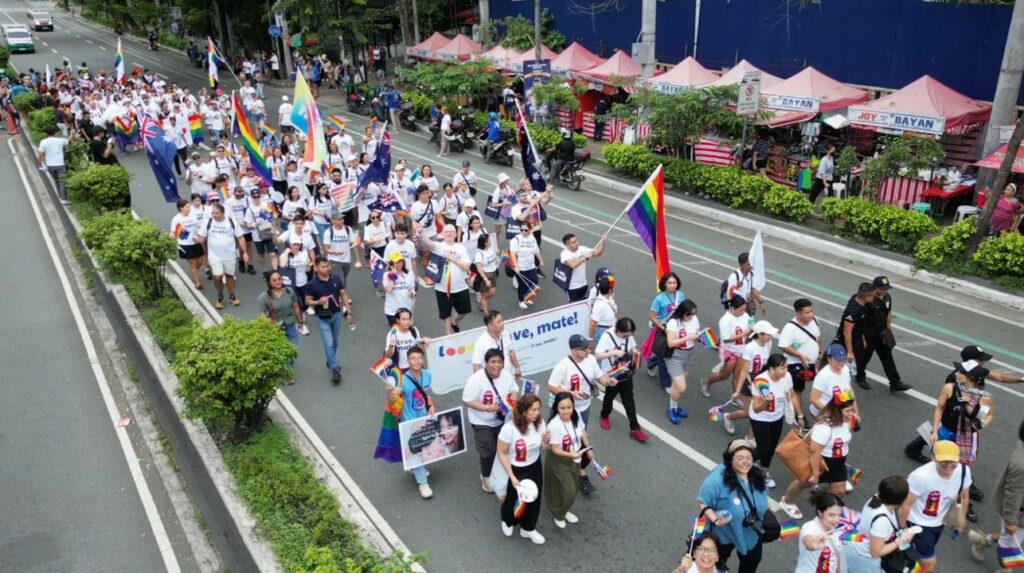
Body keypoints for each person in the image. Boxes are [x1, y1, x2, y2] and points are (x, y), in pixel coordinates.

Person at [547, 334, 615, 495]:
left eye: (588, 348)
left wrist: (608, 382)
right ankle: (562, 469)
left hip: (583, 407)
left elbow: (599, 376)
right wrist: (571, 393)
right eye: (584, 349)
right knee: (562, 440)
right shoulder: (563, 366)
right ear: (573, 350)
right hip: (565, 410)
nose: (588, 351)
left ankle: (578, 469)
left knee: (579, 437)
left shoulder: (590, 360)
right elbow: (552, 386)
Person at [779, 393, 857, 519]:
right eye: (848, 411)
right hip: (820, 462)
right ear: (837, 411)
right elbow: (814, 452)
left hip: (838, 463)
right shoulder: (824, 428)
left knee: (839, 491)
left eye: (852, 410)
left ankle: (826, 511)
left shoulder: (847, 421)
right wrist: (815, 474)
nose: (851, 414)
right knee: (804, 482)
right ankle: (787, 502)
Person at [899, 440, 972, 573]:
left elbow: (964, 496)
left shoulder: (963, 471)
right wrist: (902, 529)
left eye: (953, 461)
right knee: (929, 564)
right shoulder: (920, 477)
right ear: (933, 458)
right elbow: (906, 505)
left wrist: (960, 521)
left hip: (939, 522)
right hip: (919, 524)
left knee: (916, 556)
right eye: (944, 461)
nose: (949, 465)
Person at [697, 439, 768, 573]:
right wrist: (715, 520)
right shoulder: (717, 479)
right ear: (730, 459)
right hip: (723, 533)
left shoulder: (757, 474)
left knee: (752, 561)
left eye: (748, 458)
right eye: (739, 458)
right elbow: (703, 502)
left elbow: (764, 496)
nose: (745, 462)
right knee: (714, 564)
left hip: (750, 532)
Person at [463, 348, 520, 494]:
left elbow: (514, 389)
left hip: (502, 419)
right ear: (486, 363)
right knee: (488, 451)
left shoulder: (506, 375)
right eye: (493, 362)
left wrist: (512, 400)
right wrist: (486, 408)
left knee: (504, 448)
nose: (496, 365)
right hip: (481, 420)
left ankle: (502, 473)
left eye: (499, 362)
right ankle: (486, 476)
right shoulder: (476, 379)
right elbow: (467, 400)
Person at [969, 419, 1024, 565]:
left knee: (1013, 538)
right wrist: (1010, 521)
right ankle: (1005, 569)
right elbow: (1014, 494)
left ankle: (983, 541)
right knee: (1010, 545)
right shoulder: (1022, 465)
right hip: (1018, 513)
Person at [497, 393, 549, 544]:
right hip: (517, 468)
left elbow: (542, 448)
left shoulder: (540, 424)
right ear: (523, 411)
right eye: (533, 410)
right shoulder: (509, 429)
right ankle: (508, 521)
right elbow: (501, 452)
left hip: (534, 465)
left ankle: (528, 528)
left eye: (538, 409)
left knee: (534, 498)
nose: (537, 413)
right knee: (514, 498)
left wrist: (545, 441)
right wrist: (512, 476)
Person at [748, 353, 802, 490]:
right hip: (760, 418)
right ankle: (741, 459)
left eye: (786, 367)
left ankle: (764, 471)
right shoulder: (761, 382)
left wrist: (800, 415)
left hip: (777, 417)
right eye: (782, 368)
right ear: (771, 369)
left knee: (771, 447)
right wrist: (766, 401)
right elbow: (756, 408)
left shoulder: (787, 377)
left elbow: (792, 395)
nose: (786, 370)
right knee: (763, 448)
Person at [843, 476, 918, 573]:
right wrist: (900, 541)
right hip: (866, 559)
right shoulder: (881, 522)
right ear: (901, 499)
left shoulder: (877, 497)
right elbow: (875, 552)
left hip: (857, 546)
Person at [388, 345, 435, 499]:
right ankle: (423, 483)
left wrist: (431, 405)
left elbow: (427, 394)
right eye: (413, 358)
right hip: (409, 420)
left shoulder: (427, 374)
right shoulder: (402, 380)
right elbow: (392, 401)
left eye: (419, 358)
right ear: (407, 361)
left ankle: (414, 467)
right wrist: (391, 391)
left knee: (425, 446)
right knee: (417, 449)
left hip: (424, 417)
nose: (417, 361)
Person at [594, 317, 649, 442]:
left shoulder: (628, 335)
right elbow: (597, 355)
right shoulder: (607, 336)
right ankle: (604, 414)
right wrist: (613, 353)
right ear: (617, 330)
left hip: (625, 372)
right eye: (624, 336)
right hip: (611, 374)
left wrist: (634, 351)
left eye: (629, 335)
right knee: (609, 396)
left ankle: (635, 428)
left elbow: (631, 347)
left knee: (629, 399)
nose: (627, 337)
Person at [721, 320, 778, 436]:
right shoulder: (750, 348)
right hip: (749, 379)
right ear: (760, 335)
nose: (771, 336)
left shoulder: (768, 343)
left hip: (761, 378)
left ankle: (750, 437)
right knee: (748, 411)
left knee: (759, 409)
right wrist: (738, 391)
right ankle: (729, 417)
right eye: (768, 334)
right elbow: (744, 370)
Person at [304, 256, 355, 385]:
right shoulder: (312, 284)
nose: (326, 268)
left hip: (336, 315)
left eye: (328, 266)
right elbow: (307, 301)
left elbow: (343, 294)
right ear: (316, 268)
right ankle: (334, 369)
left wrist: (348, 312)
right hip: (322, 318)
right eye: (323, 266)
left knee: (335, 341)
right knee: (329, 343)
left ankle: (330, 359)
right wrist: (318, 302)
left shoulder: (336, 279)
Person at [545, 392, 590, 529]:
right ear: (556, 408)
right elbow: (554, 449)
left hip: (575, 457)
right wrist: (571, 455)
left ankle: (564, 510)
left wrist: (588, 449)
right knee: (568, 491)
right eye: (562, 408)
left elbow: (582, 431)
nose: (566, 411)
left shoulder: (576, 414)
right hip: (560, 459)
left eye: (569, 407)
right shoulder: (554, 425)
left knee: (574, 489)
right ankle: (558, 514)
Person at [861, 276, 912, 393]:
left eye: (886, 288)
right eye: (882, 289)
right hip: (870, 334)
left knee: (888, 358)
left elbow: (889, 312)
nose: (884, 291)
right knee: (864, 358)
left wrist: (888, 329)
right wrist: (862, 338)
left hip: (882, 333)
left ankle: (895, 382)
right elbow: (861, 321)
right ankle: (860, 377)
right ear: (875, 287)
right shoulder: (868, 300)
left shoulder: (887, 297)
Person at [196, 203, 249, 309]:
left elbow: (240, 237)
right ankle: (220, 296)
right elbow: (202, 238)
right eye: (212, 213)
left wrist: (245, 252)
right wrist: (197, 239)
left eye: (216, 213)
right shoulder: (208, 222)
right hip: (214, 256)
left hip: (230, 255)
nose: (214, 215)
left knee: (230, 275)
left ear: (223, 213)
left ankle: (232, 296)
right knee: (218, 277)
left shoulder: (231, 222)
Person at [778, 298, 821, 424]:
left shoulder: (814, 321)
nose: (811, 314)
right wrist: (799, 355)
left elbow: (817, 338)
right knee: (797, 390)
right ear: (798, 313)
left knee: (820, 386)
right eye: (807, 312)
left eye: (811, 311)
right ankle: (799, 416)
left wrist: (820, 353)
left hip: (812, 363)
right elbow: (783, 346)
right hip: (796, 364)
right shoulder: (790, 328)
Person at [702, 295, 752, 398]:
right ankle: (707, 382)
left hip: (742, 349)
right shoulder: (725, 320)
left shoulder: (745, 316)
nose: (743, 312)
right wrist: (743, 334)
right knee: (724, 375)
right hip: (729, 351)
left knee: (738, 375)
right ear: (733, 308)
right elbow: (726, 339)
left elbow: (749, 328)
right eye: (740, 310)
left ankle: (735, 396)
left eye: (744, 310)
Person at [647, 271, 686, 391]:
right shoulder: (659, 299)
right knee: (664, 357)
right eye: (670, 283)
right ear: (664, 284)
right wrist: (662, 327)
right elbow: (652, 316)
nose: (672, 285)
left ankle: (651, 363)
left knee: (665, 353)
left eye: (674, 283)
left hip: (675, 328)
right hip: (662, 329)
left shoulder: (680, 295)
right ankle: (666, 384)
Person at [831, 282, 874, 390]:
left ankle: (853, 380)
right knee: (840, 366)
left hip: (857, 338)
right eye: (872, 296)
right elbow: (847, 332)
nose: (873, 298)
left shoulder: (862, 303)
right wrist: (850, 352)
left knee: (858, 362)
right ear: (866, 296)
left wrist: (863, 339)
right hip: (846, 341)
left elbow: (860, 326)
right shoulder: (854, 311)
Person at [664, 300, 700, 424]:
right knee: (681, 387)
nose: (692, 317)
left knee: (677, 385)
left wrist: (700, 336)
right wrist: (687, 337)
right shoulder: (673, 323)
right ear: (682, 313)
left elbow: (696, 334)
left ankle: (674, 406)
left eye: (694, 313)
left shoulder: (694, 319)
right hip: (676, 356)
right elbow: (670, 343)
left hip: (689, 353)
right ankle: (671, 407)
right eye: (689, 314)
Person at [808, 344, 861, 421]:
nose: (842, 362)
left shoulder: (845, 369)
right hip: (824, 415)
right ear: (829, 359)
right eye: (838, 360)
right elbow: (814, 400)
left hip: (841, 413)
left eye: (844, 359)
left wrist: (855, 412)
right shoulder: (823, 376)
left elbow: (850, 391)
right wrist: (833, 414)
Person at [795, 490, 844, 573]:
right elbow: (808, 541)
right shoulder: (810, 527)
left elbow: (837, 558)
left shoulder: (837, 531)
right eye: (831, 515)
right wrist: (813, 544)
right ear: (820, 512)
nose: (836, 520)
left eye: (839, 515)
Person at [257, 270, 304, 349]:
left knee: (293, 348)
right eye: (274, 280)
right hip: (275, 327)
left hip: (290, 324)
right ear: (269, 282)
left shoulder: (289, 291)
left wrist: (300, 321)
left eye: (279, 279)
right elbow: (261, 314)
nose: (278, 282)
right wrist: (269, 323)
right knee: (280, 349)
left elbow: (296, 306)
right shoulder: (264, 297)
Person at [471, 311, 522, 378]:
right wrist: (479, 382)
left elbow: (511, 352)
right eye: (499, 322)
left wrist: (517, 368)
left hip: (507, 377)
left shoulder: (505, 334)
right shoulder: (481, 342)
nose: (502, 323)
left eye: (502, 320)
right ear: (490, 325)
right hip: (492, 380)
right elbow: (476, 365)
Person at [559, 233, 608, 302]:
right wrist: (584, 257)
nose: (577, 243)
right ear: (567, 244)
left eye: (577, 240)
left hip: (583, 284)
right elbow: (572, 265)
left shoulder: (582, 249)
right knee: (574, 305)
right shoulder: (565, 254)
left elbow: (597, 253)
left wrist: (603, 242)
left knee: (584, 304)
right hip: (572, 287)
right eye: (574, 242)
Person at [170, 198, 203, 289]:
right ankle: (197, 283)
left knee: (200, 261)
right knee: (192, 263)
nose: (189, 208)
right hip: (184, 244)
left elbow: (197, 227)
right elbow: (173, 232)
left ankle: (194, 273)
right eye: (187, 207)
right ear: (181, 208)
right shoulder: (176, 219)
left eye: (189, 206)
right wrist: (171, 239)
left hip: (195, 241)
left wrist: (199, 236)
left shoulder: (193, 215)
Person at [509, 220, 542, 310]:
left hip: (531, 265)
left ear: (530, 230)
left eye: (526, 230)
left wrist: (541, 261)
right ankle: (521, 301)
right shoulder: (516, 240)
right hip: (521, 267)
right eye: (521, 230)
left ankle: (527, 298)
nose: (523, 232)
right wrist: (516, 266)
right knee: (522, 285)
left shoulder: (532, 238)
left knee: (534, 281)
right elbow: (512, 254)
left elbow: (536, 250)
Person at [36, 126, 70, 203]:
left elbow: (40, 154)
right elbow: (68, 141)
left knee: (56, 181)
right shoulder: (60, 140)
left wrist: (39, 162)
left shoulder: (43, 142)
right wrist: (72, 135)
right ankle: (64, 199)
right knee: (62, 181)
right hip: (60, 164)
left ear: (46, 134)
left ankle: (60, 197)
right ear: (55, 133)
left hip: (50, 165)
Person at [382, 254, 415, 325]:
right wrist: (393, 276)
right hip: (392, 310)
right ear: (392, 264)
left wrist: (412, 293)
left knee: (405, 329)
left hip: (406, 309)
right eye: (397, 262)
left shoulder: (409, 273)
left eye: (401, 261)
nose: (400, 264)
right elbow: (389, 289)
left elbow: (412, 288)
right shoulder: (386, 274)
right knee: (397, 329)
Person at [473, 232, 499, 313]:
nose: (491, 241)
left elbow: (494, 260)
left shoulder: (490, 249)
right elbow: (479, 269)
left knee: (492, 292)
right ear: (485, 243)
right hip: (486, 275)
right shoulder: (479, 254)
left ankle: (482, 301)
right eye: (489, 240)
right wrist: (486, 280)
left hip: (493, 272)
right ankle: (486, 313)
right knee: (484, 295)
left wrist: (497, 255)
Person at [588, 277, 618, 344]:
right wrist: (590, 340)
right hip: (603, 334)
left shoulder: (610, 299)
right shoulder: (599, 305)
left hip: (611, 331)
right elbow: (592, 323)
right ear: (610, 291)